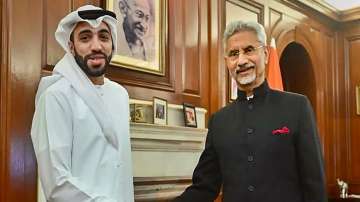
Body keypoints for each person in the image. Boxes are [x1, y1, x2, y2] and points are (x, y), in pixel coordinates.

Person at [174, 21, 327, 202]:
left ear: (265, 54)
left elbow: (314, 184)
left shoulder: (297, 107)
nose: (241, 61)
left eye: (248, 50)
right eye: (233, 54)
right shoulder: (219, 121)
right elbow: (204, 187)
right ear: (227, 62)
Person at [31, 5, 134, 202]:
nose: (96, 46)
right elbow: (57, 184)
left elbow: (120, 170)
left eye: (103, 37)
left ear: (112, 44)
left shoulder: (120, 95)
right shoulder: (56, 97)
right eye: (85, 38)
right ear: (71, 47)